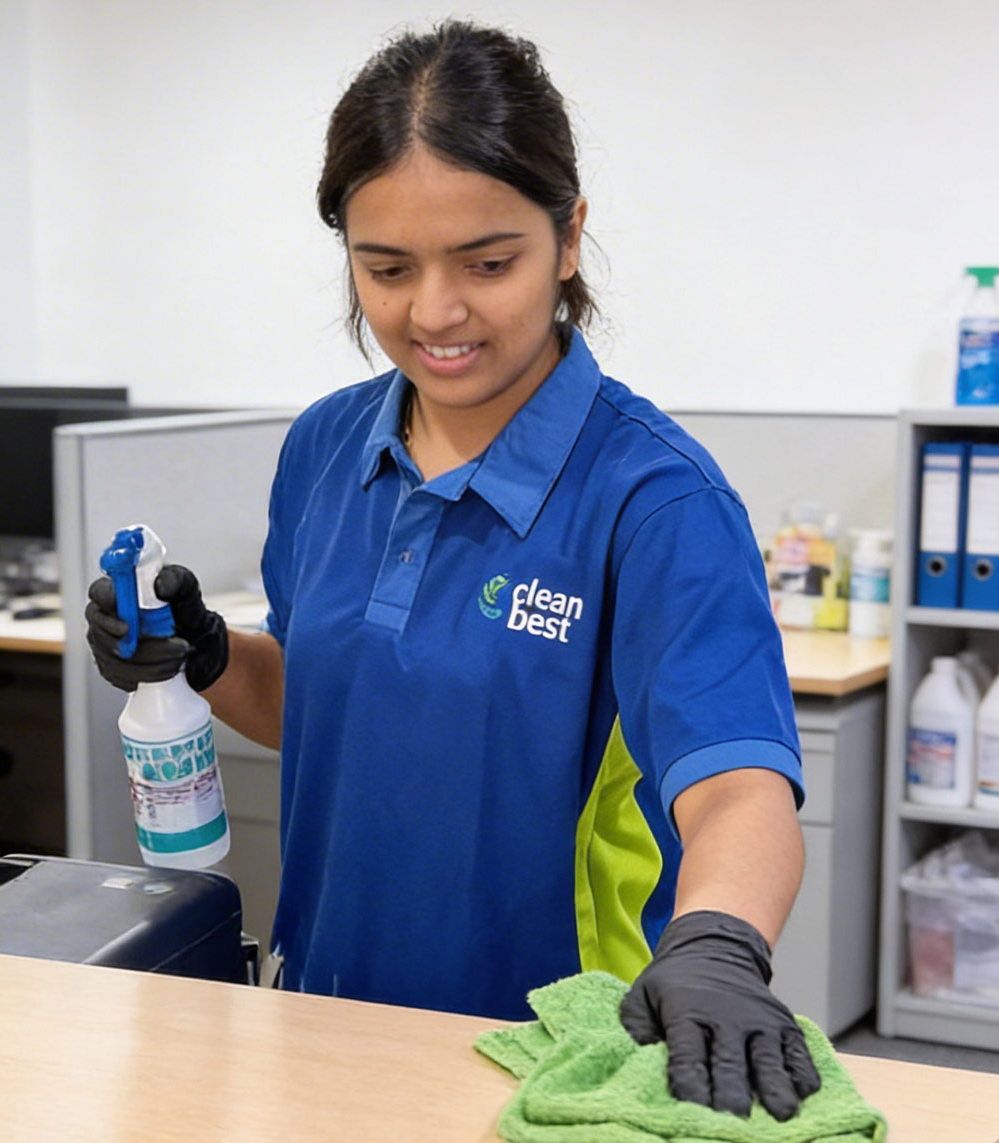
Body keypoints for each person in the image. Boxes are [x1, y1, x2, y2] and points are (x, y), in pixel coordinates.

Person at [88, 21, 819, 1121]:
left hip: (550, 1053)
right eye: (386, 268)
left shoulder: (655, 500)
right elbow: (319, 708)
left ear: (568, 238)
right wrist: (206, 656)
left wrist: (719, 943)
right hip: (324, 1015)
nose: (433, 313)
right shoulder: (325, 448)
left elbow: (737, 785)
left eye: (487, 263)